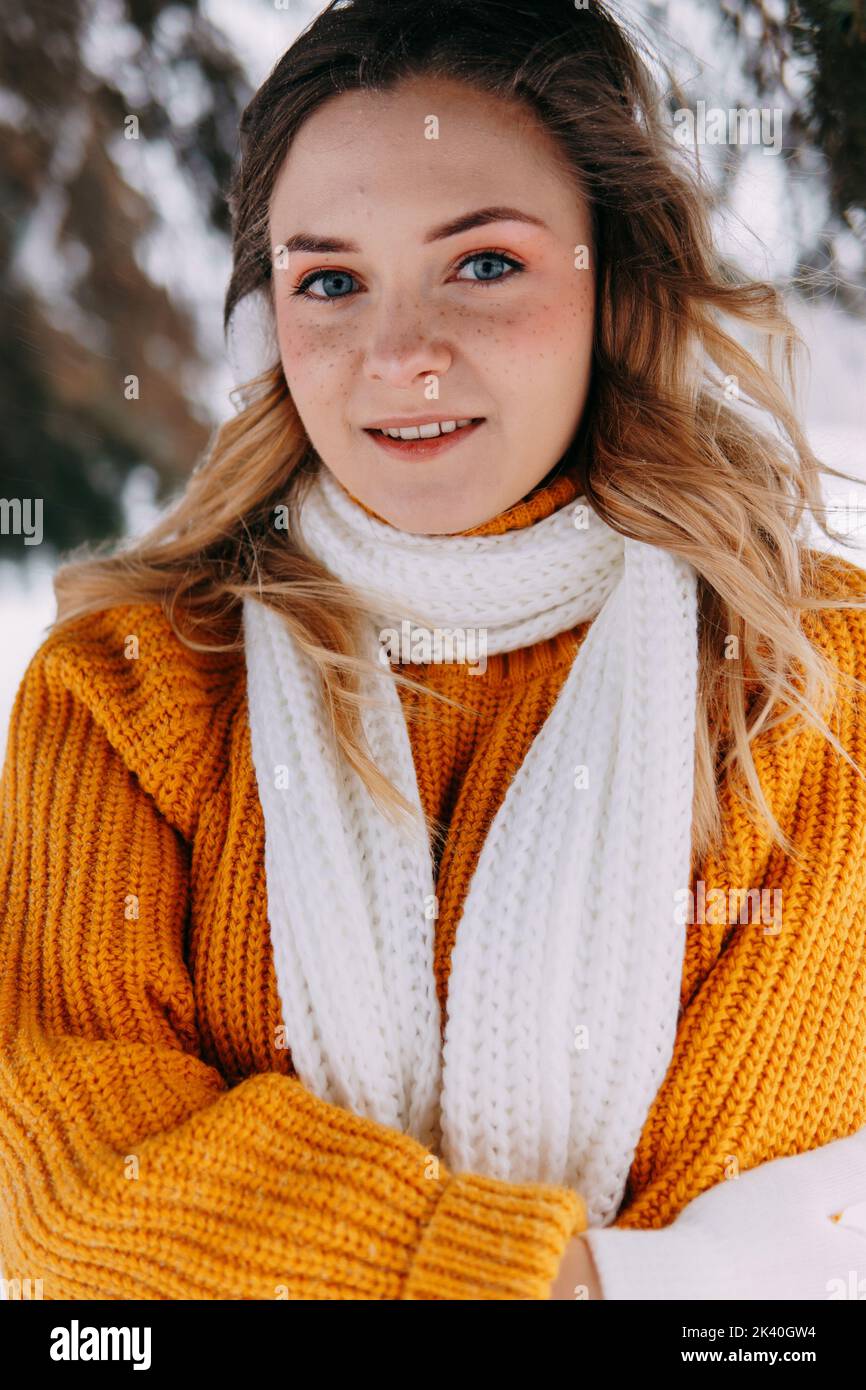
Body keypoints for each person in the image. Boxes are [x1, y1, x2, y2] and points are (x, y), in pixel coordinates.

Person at [2, 0, 866, 1302]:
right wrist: (559, 1278)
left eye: (483, 264)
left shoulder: (809, 686)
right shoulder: (128, 688)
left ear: (612, 279)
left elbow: (751, 1244)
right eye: (330, 281)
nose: (399, 355)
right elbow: (76, 1194)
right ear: (266, 332)